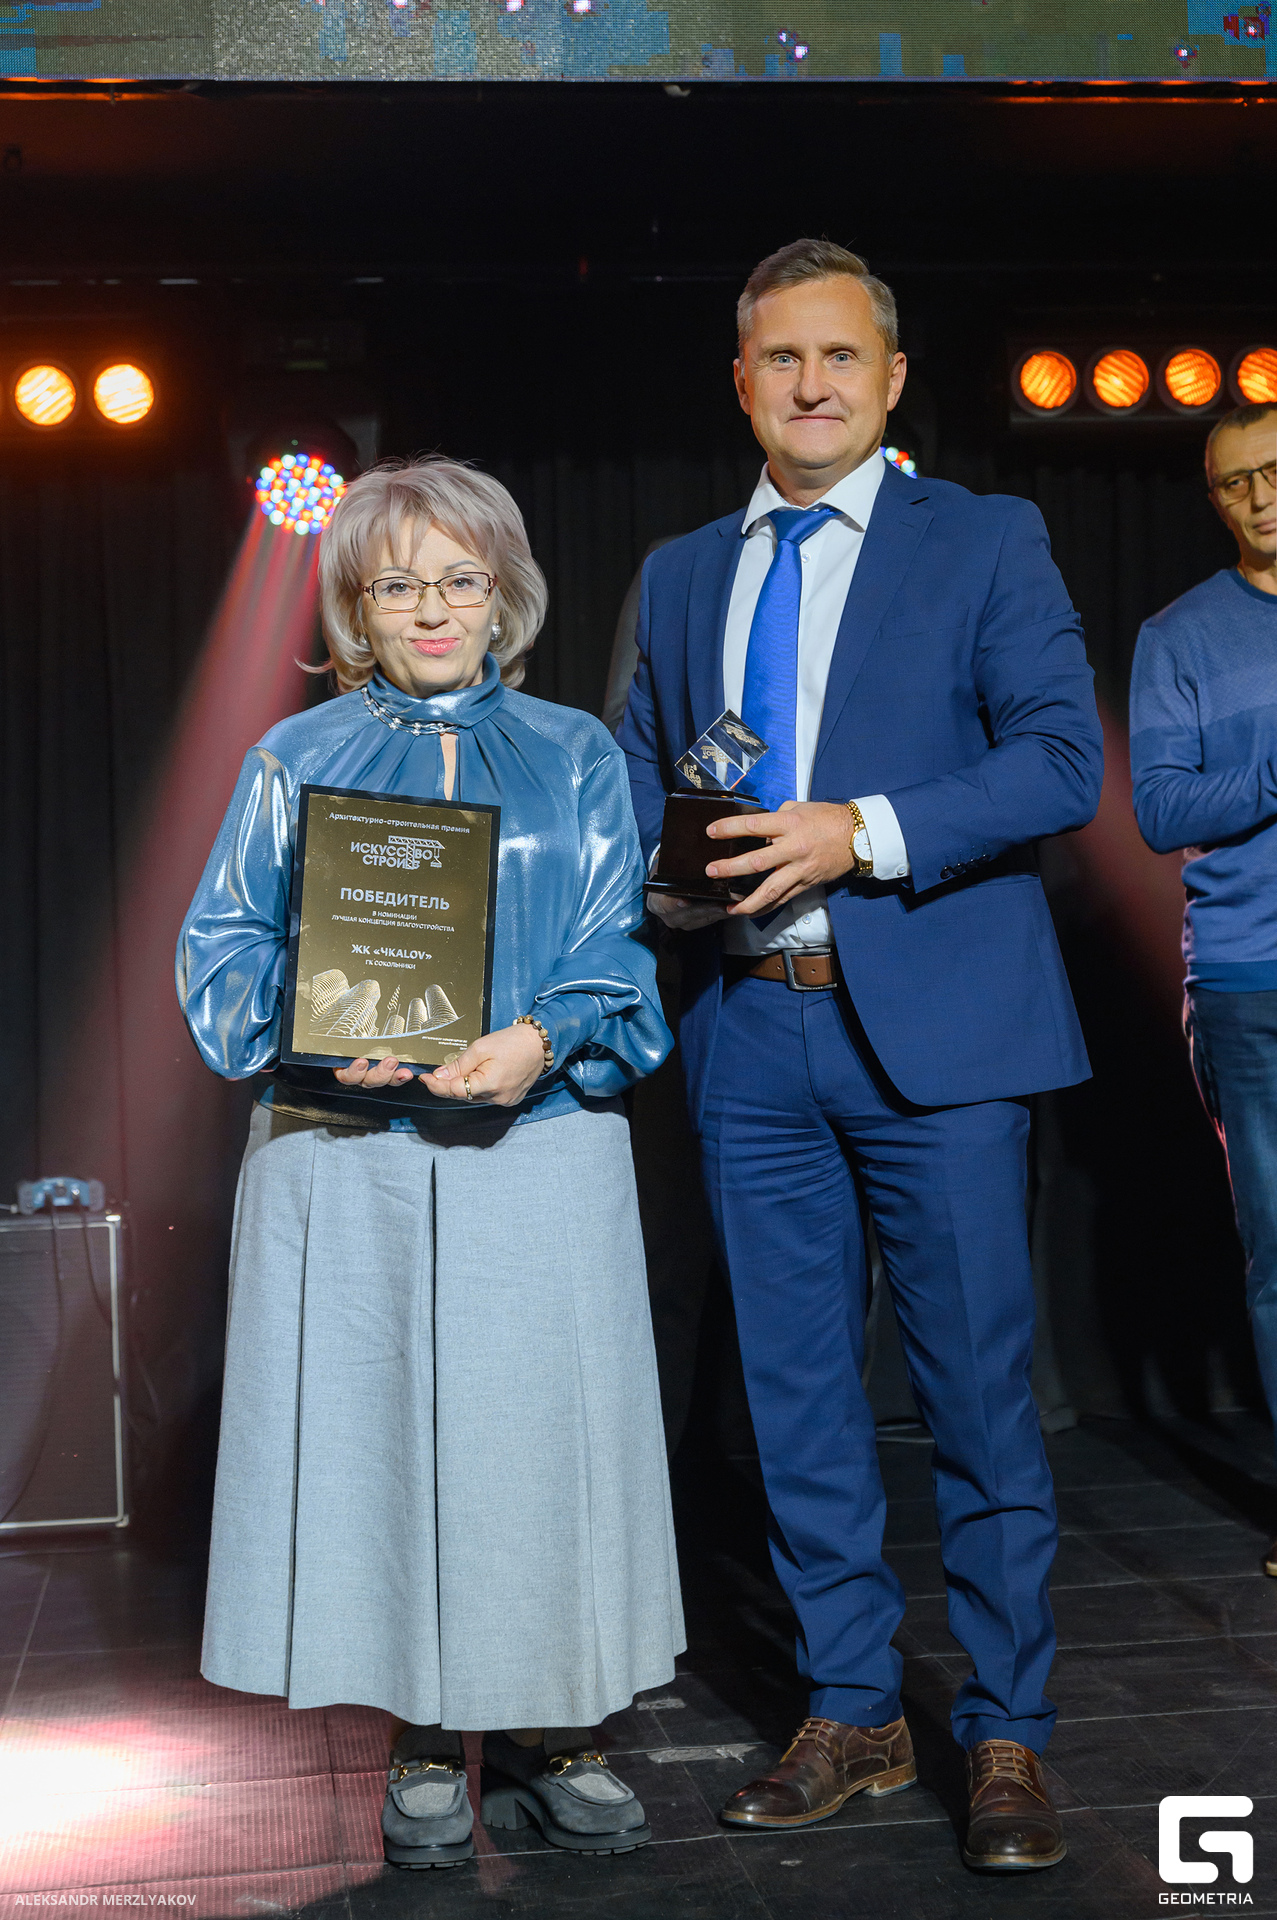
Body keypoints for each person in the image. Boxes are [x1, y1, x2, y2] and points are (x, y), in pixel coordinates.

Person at [617, 238, 1103, 1873]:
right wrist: (661, 883)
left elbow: (1059, 761)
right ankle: (852, 1708)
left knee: (973, 1396)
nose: (810, 384)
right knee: (795, 1399)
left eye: (840, 357)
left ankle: (1008, 1727)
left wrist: (860, 830)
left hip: (939, 1033)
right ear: (740, 382)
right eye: (781, 358)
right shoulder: (684, 572)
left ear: (892, 381)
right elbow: (643, 777)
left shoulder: (984, 537)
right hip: (749, 1030)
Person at [177, 457, 683, 1870]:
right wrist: (326, 1033)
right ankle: (417, 1736)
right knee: (382, 1450)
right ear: (356, 606)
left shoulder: (575, 753)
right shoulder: (293, 759)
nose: (435, 608)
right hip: (348, 1157)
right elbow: (223, 951)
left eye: (462, 579)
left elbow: (611, 945)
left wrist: (537, 1038)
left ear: (505, 593)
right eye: (399, 584)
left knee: (541, 1447)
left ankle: (553, 1729)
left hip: (539, 1138)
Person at [1130, 399, 1277, 1576]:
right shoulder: (1177, 635)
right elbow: (1160, 807)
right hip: (1248, 979)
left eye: (1272, 471)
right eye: (1234, 482)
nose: (1259, 496)